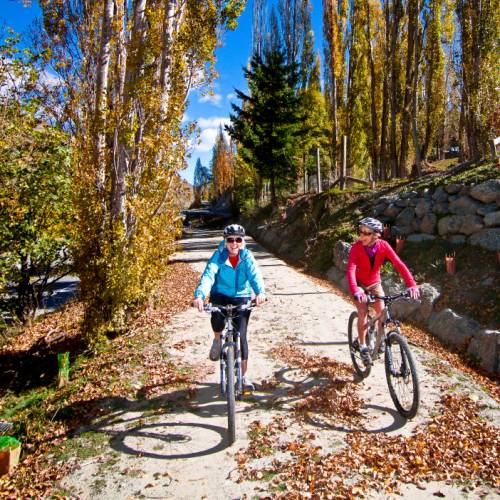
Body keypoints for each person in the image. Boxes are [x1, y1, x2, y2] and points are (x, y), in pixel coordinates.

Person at [193, 224, 266, 389]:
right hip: (220, 293)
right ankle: (217, 339)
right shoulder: (218, 256)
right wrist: (200, 295)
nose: (234, 243)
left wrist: (260, 293)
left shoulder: (247, 257)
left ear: (243, 241)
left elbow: (255, 275)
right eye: (230, 240)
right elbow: (208, 275)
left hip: (241, 296)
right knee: (217, 317)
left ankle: (244, 376)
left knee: (242, 334)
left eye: (238, 239)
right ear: (225, 241)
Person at [346, 217, 420, 365]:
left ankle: (378, 340)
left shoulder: (384, 246)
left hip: (374, 284)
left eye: (366, 233)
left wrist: (412, 284)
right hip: (360, 285)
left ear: (376, 235)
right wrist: (356, 290)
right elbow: (351, 269)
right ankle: (363, 346)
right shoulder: (356, 248)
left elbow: (399, 264)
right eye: (360, 231)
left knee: (383, 314)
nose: (361, 235)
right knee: (362, 312)